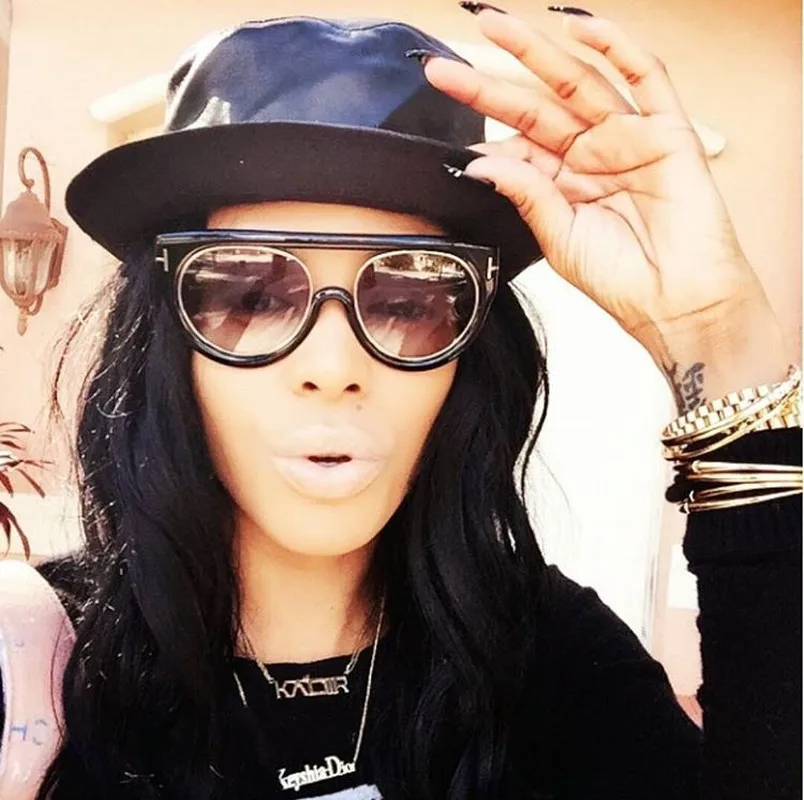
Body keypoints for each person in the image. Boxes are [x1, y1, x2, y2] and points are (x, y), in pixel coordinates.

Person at [0, 4, 800, 799]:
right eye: (250, 294)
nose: (333, 366)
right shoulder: (39, 665)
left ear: (468, 361)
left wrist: (721, 339)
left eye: (409, 301)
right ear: (167, 345)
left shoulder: (553, 660)